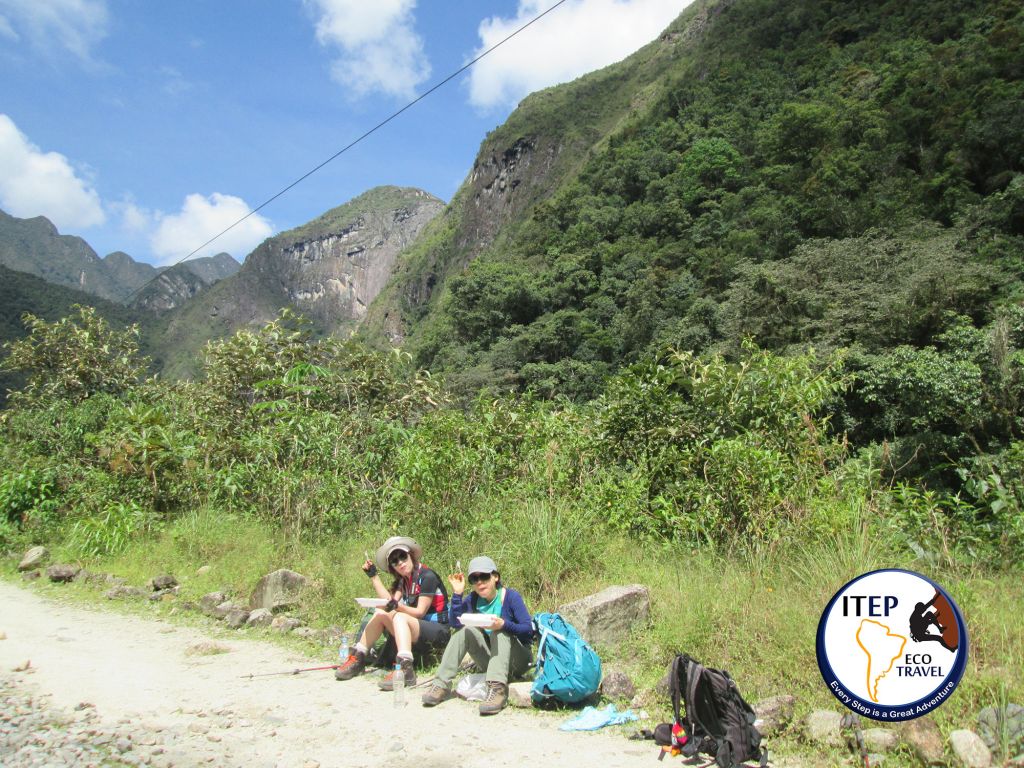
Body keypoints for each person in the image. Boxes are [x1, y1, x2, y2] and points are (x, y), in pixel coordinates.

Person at [421, 555, 533, 715]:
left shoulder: (510, 597)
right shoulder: (473, 600)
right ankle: (441, 684)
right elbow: (455, 623)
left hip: (518, 660)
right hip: (493, 660)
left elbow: (528, 630)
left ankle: (497, 690)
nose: (480, 582)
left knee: (499, 630)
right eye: (474, 579)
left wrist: (504, 624)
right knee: (465, 630)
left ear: (495, 577)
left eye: (484, 576)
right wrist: (458, 594)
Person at [335, 535, 449, 690]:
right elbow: (389, 602)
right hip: (417, 630)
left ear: (411, 556)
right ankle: (359, 656)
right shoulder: (404, 582)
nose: (400, 563)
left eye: (402, 556)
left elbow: (420, 612)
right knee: (380, 613)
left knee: (400, 616)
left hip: (438, 632)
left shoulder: (427, 576)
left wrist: (397, 607)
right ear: (392, 567)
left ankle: (405, 669)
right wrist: (374, 577)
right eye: (395, 561)